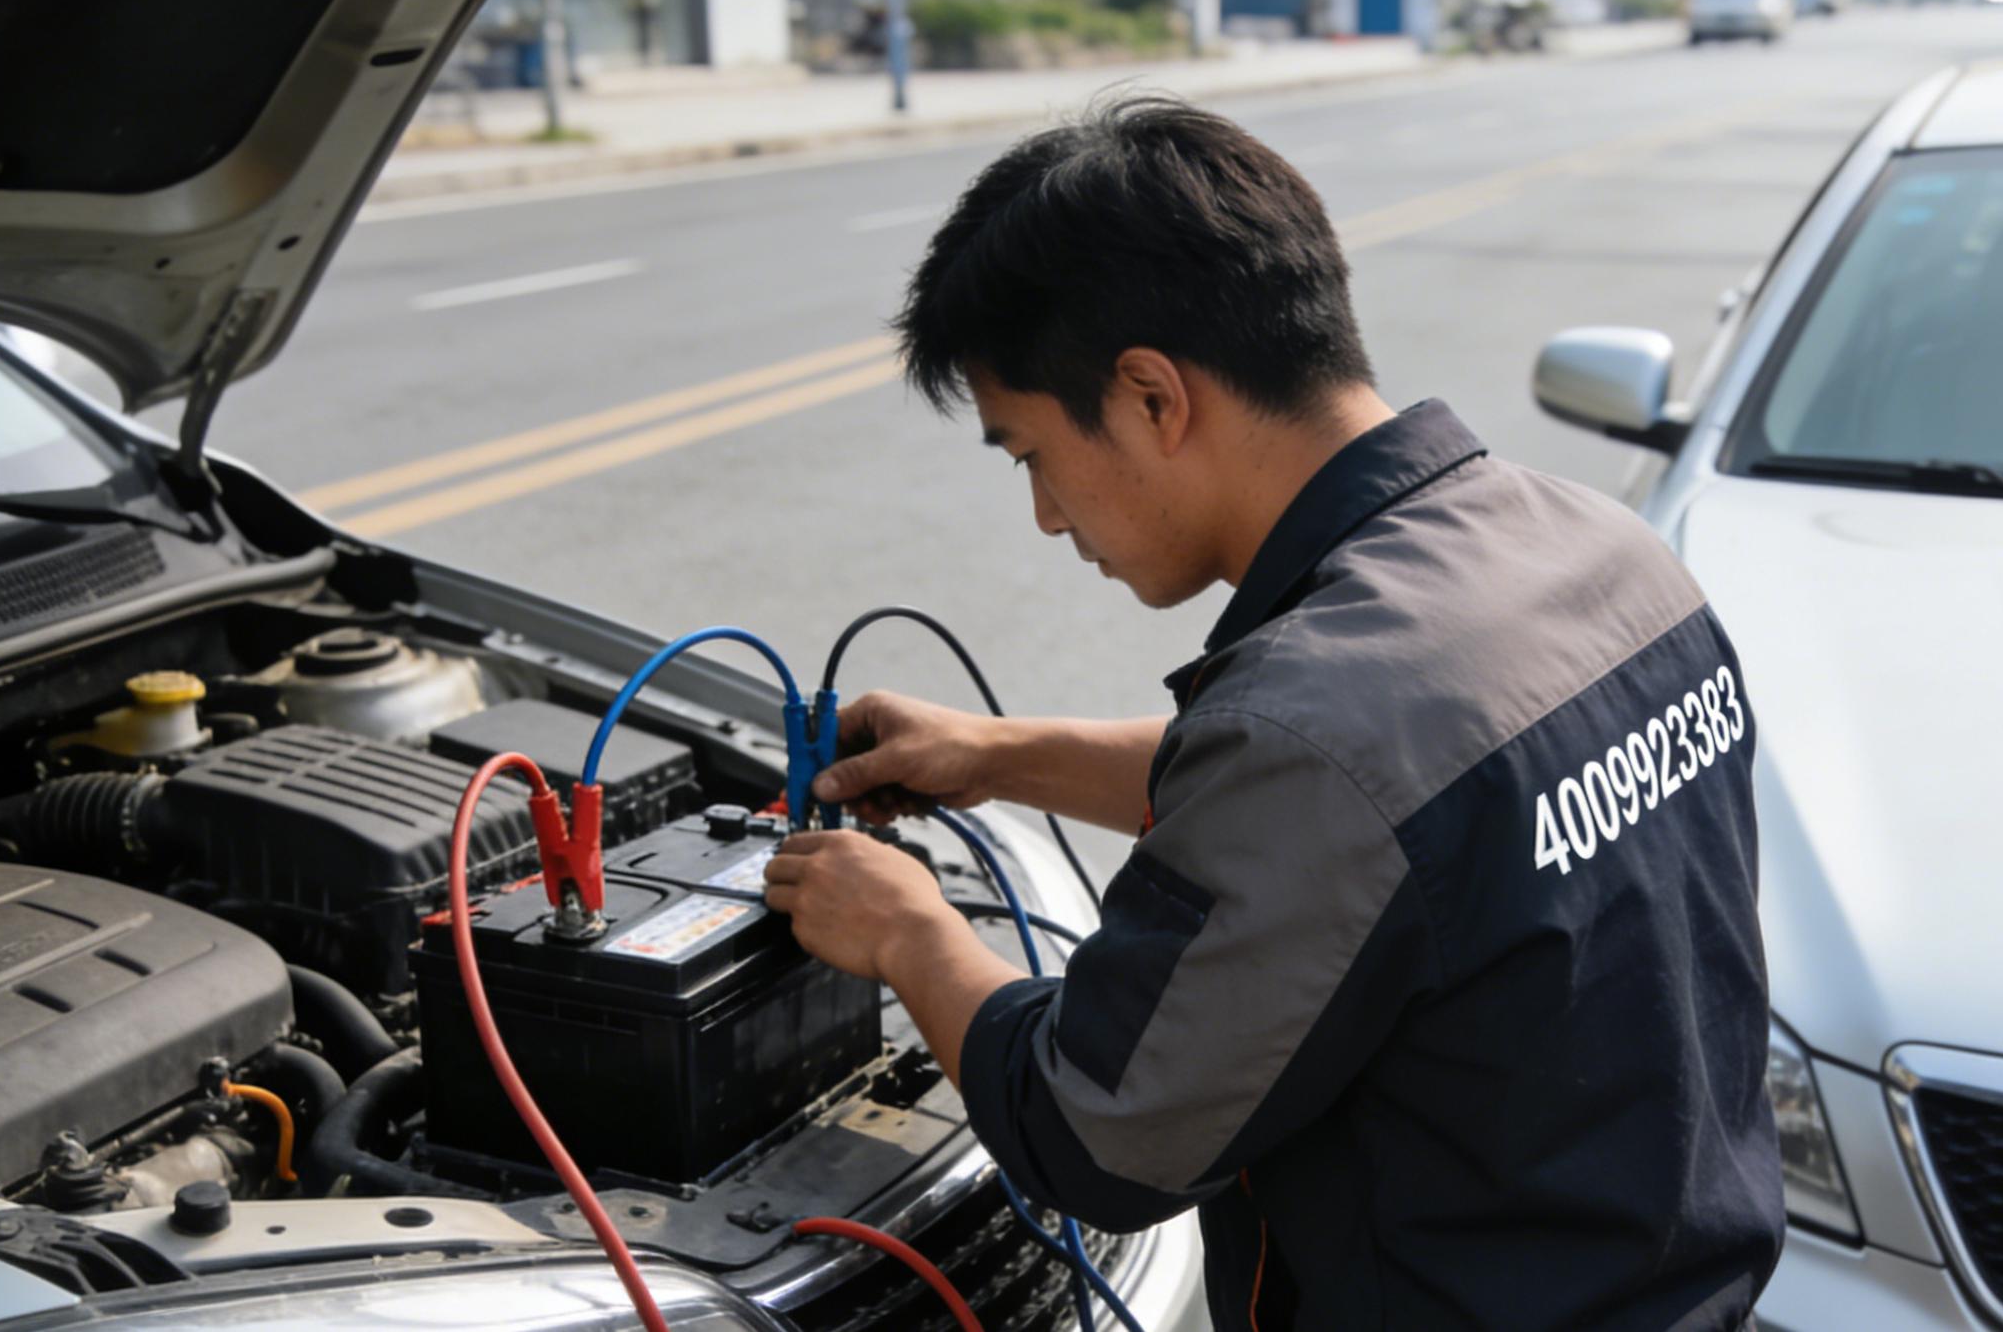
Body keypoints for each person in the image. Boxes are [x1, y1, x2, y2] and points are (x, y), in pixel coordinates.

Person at [761, 96, 1782, 1330]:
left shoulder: (1318, 726)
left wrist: (909, 932)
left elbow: (1097, 1129)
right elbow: (1402, 833)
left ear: (1151, 397)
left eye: (1028, 452)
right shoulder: (1603, 554)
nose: (1043, 515)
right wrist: (994, 754)